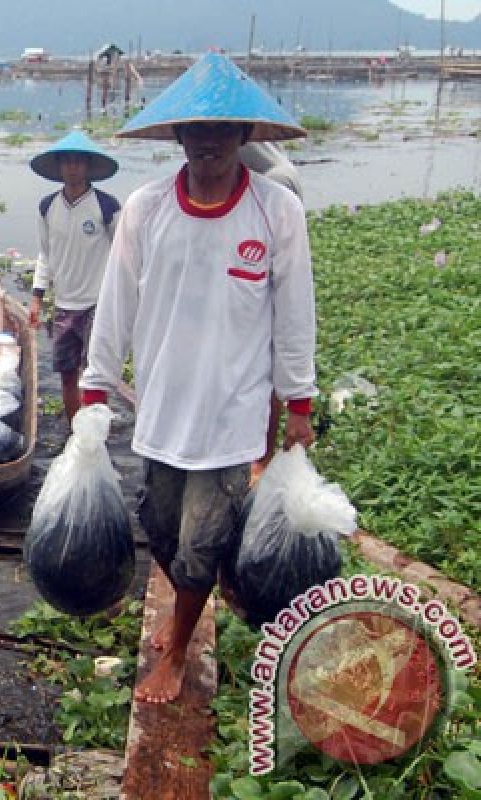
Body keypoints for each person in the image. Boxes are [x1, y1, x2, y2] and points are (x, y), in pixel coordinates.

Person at [79, 53, 317, 704]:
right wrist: (95, 386)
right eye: (196, 130)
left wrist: (299, 401)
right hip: (160, 409)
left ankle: (179, 648)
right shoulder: (147, 208)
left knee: (202, 542)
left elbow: (295, 312)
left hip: (232, 416)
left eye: (223, 130)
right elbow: (116, 299)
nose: (208, 141)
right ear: (177, 137)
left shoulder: (276, 212)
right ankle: (188, 602)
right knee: (159, 526)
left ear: (245, 136)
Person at [27, 131, 121, 424]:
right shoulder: (47, 207)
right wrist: (36, 298)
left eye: (78, 162)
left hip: (98, 304)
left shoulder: (107, 207)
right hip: (65, 304)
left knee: (95, 377)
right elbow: (45, 254)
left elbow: (125, 255)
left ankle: (97, 440)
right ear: (59, 168)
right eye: (67, 162)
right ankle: (75, 434)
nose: (72, 168)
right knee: (68, 374)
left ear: (88, 167)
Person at [240, 141, 305, 480]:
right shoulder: (277, 169)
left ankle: (262, 459)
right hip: (263, 283)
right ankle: (264, 456)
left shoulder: (276, 184)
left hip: (267, 290)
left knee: (268, 377)